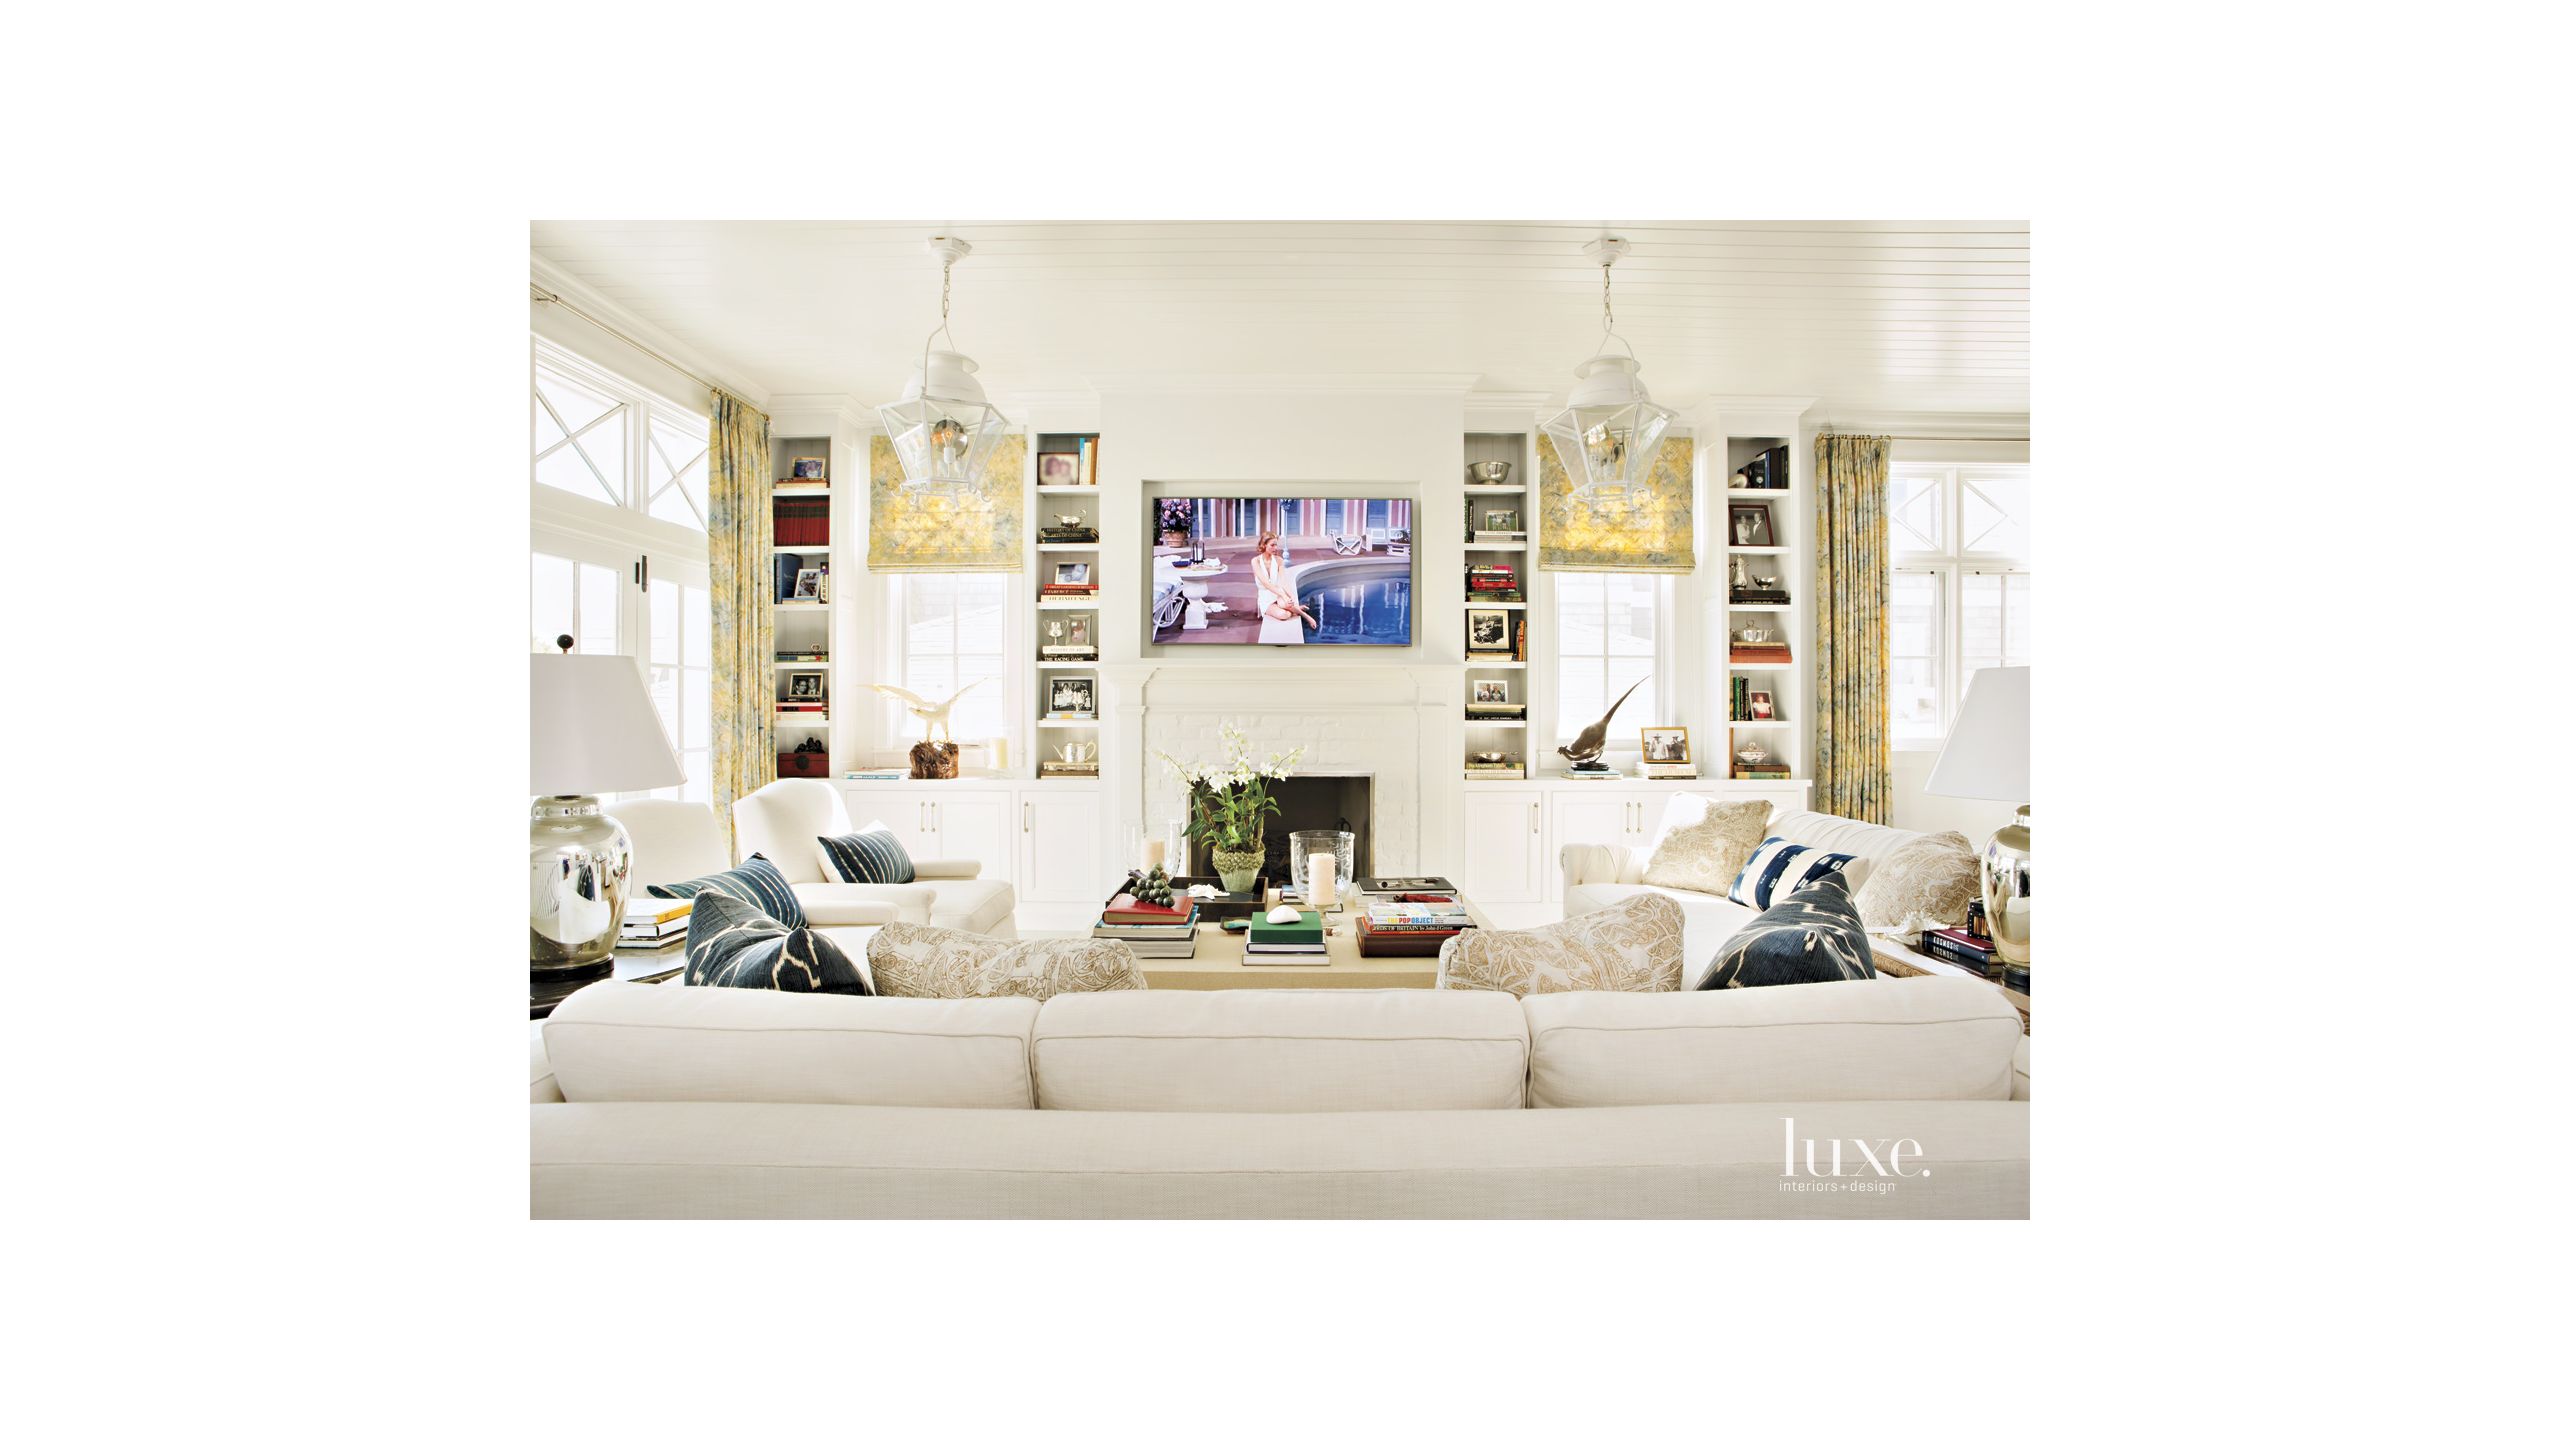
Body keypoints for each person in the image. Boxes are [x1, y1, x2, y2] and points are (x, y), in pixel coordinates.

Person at [1251, 531, 1308, 645]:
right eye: (1272, 545)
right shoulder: (1255, 561)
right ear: (1264, 545)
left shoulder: (1279, 560)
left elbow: (1283, 581)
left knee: (1285, 604)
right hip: (1266, 596)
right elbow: (1266, 584)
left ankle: (1296, 609)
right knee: (1284, 615)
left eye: (1276, 545)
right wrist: (1283, 595)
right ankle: (1297, 611)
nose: (1275, 548)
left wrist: (1290, 596)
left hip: (1278, 592)